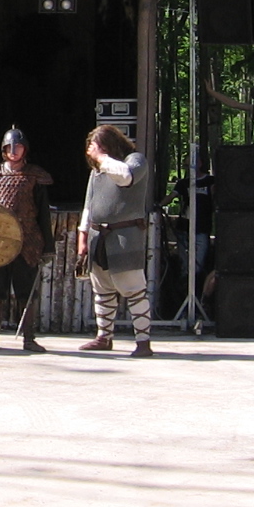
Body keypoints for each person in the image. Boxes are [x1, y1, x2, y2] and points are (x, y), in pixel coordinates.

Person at [0, 125, 54, 354]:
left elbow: (43, 214)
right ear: (3, 149)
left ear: (26, 149)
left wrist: (48, 246)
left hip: (28, 240)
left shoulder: (35, 176)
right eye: (9, 147)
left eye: (18, 147)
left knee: (25, 291)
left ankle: (29, 339)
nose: (14, 151)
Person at [76, 125, 152, 356]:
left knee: (134, 290)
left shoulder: (135, 161)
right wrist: (83, 237)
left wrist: (102, 157)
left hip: (125, 237)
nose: (94, 153)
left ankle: (143, 342)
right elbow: (89, 206)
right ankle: (104, 337)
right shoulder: (98, 171)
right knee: (103, 291)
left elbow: (125, 178)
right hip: (99, 237)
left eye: (98, 146)